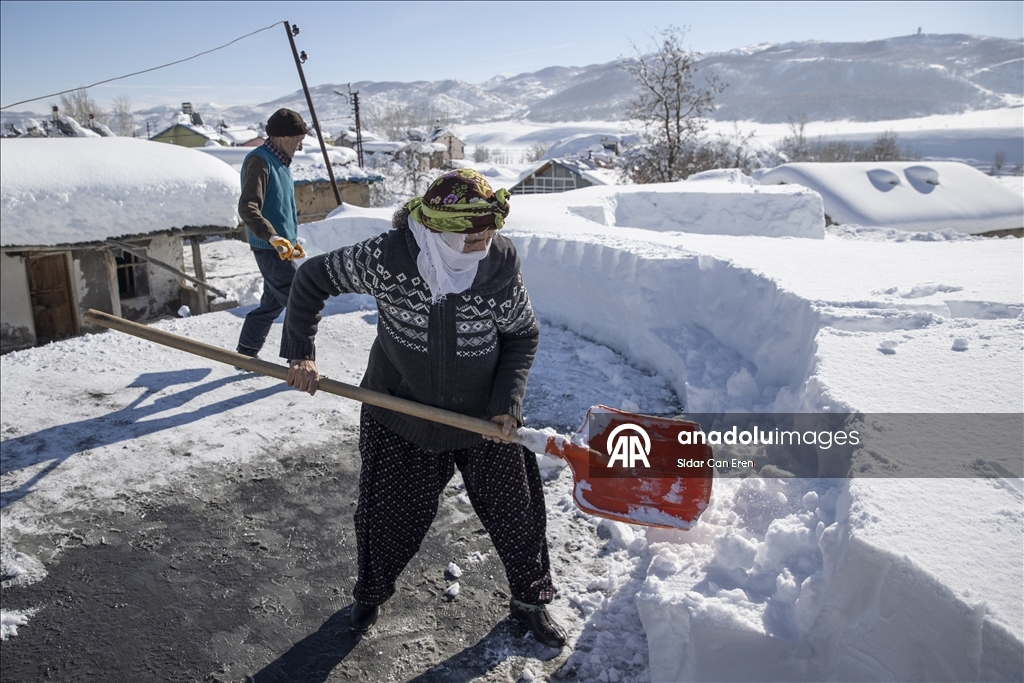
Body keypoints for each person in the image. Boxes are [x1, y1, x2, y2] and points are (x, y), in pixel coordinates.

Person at [281, 169, 567, 649]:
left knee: (518, 515)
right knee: (386, 517)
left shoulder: (499, 262)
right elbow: (311, 279)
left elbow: (522, 333)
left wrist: (506, 407)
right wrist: (301, 354)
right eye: (469, 236)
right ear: (437, 230)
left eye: (487, 232)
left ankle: (530, 601)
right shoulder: (387, 256)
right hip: (400, 412)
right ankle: (371, 595)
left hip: (484, 419)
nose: (481, 243)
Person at [235, 108, 309, 359]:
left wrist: (291, 240)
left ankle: (245, 352)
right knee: (299, 303)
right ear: (282, 137)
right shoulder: (260, 160)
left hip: (279, 247)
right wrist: (271, 236)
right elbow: (248, 207)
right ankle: (298, 359)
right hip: (269, 248)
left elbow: (280, 209)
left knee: (271, 303)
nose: (299, 148)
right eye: (297, 141)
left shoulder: (280, 162)